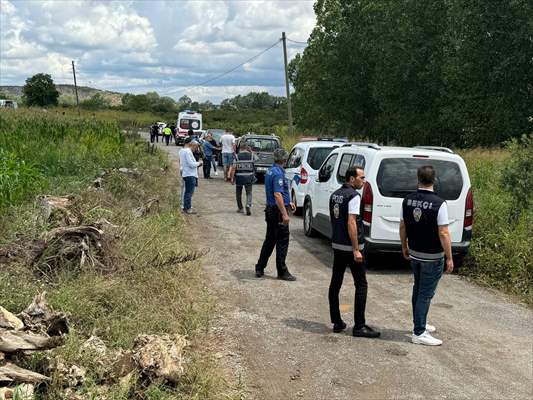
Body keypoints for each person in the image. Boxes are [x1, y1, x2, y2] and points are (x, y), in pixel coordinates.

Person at [400, 165, 454, 346]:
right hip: (432, 257)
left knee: (418, 289)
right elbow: (444, 233)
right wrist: (449, 257)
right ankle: (419, 332)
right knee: (425, 293)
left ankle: (419, 323)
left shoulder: (407, 200)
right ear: (434, 180)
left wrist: (404, 246)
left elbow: (403, 226)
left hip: (415, 254)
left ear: (418, 179)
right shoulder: (440, 203)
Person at [328, 167, 381, 338]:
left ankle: (337, 321)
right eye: (361, 177)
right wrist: (356, 249)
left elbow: (335, 220)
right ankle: (359, 326)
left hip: (337, 245)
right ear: (352, 179)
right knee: (361, 284)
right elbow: (351, 222)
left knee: (336, 283)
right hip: (351, 248)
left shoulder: (335, 194)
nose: (364, 180)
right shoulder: (354, 196)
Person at [254, 148, 296, 281]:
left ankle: (260, 267)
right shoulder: (278, 173)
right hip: (277, 211)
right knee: (282, 241)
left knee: (270, 240)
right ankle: (282, 271)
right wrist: (285, 214)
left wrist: (289, 202)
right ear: (284, 160)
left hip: (271, 210)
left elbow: (280, 193)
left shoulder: (271, 171)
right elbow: (277, 194)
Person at [231, 142, 257, 215]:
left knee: (238, 193)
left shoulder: (237, 156)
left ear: (240, 148)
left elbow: (233, 168)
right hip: (249, 177)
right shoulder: (251, 155)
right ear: (247, 148)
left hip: (239, 177)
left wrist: (232, 178)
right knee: (249, 193)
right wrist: (251, 151)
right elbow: (257, 159)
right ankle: (248, 205)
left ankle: (240, 208)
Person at [178, 138, 202, 214]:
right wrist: (199, 163)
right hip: (190, 174)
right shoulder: (188, 152)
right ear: (192, 145)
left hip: (185, 173)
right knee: (189, 192)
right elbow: (191, 164)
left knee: (187, 192)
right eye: (196, 147)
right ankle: (187, 208)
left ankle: (186, 207)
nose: (196, 150)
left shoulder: (182, 151)